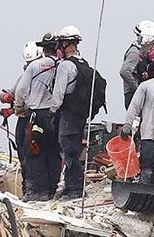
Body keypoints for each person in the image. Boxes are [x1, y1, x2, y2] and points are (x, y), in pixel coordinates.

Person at [13, 33, 60, 201]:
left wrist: (19, 108)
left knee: (34, 151)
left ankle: (36, 192)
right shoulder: (62, 65)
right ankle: (52, 189)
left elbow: (21, 90)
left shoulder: (35, 67)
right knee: (53, 152)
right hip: (55, 116)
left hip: (37, 115)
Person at [49, 25, 87, 200]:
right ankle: (72, 186)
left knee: (68, 151)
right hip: (80, 116)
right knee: (74, 149)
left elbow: (58, 95)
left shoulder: (65, 66)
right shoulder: (82, 63)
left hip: (68, 115)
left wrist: (51, 111)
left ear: (65, 43)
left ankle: (74, 188)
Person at [121, 51, 154, 184]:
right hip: (148, 136)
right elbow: (134, 106)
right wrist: (127, 125)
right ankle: (145, 200)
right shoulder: (146, 86)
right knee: (147, 171)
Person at [119, 20, 154, 109]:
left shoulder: (141, 52)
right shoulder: (135, 52)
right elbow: (124, 71)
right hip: (133, 95)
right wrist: (138, 89)